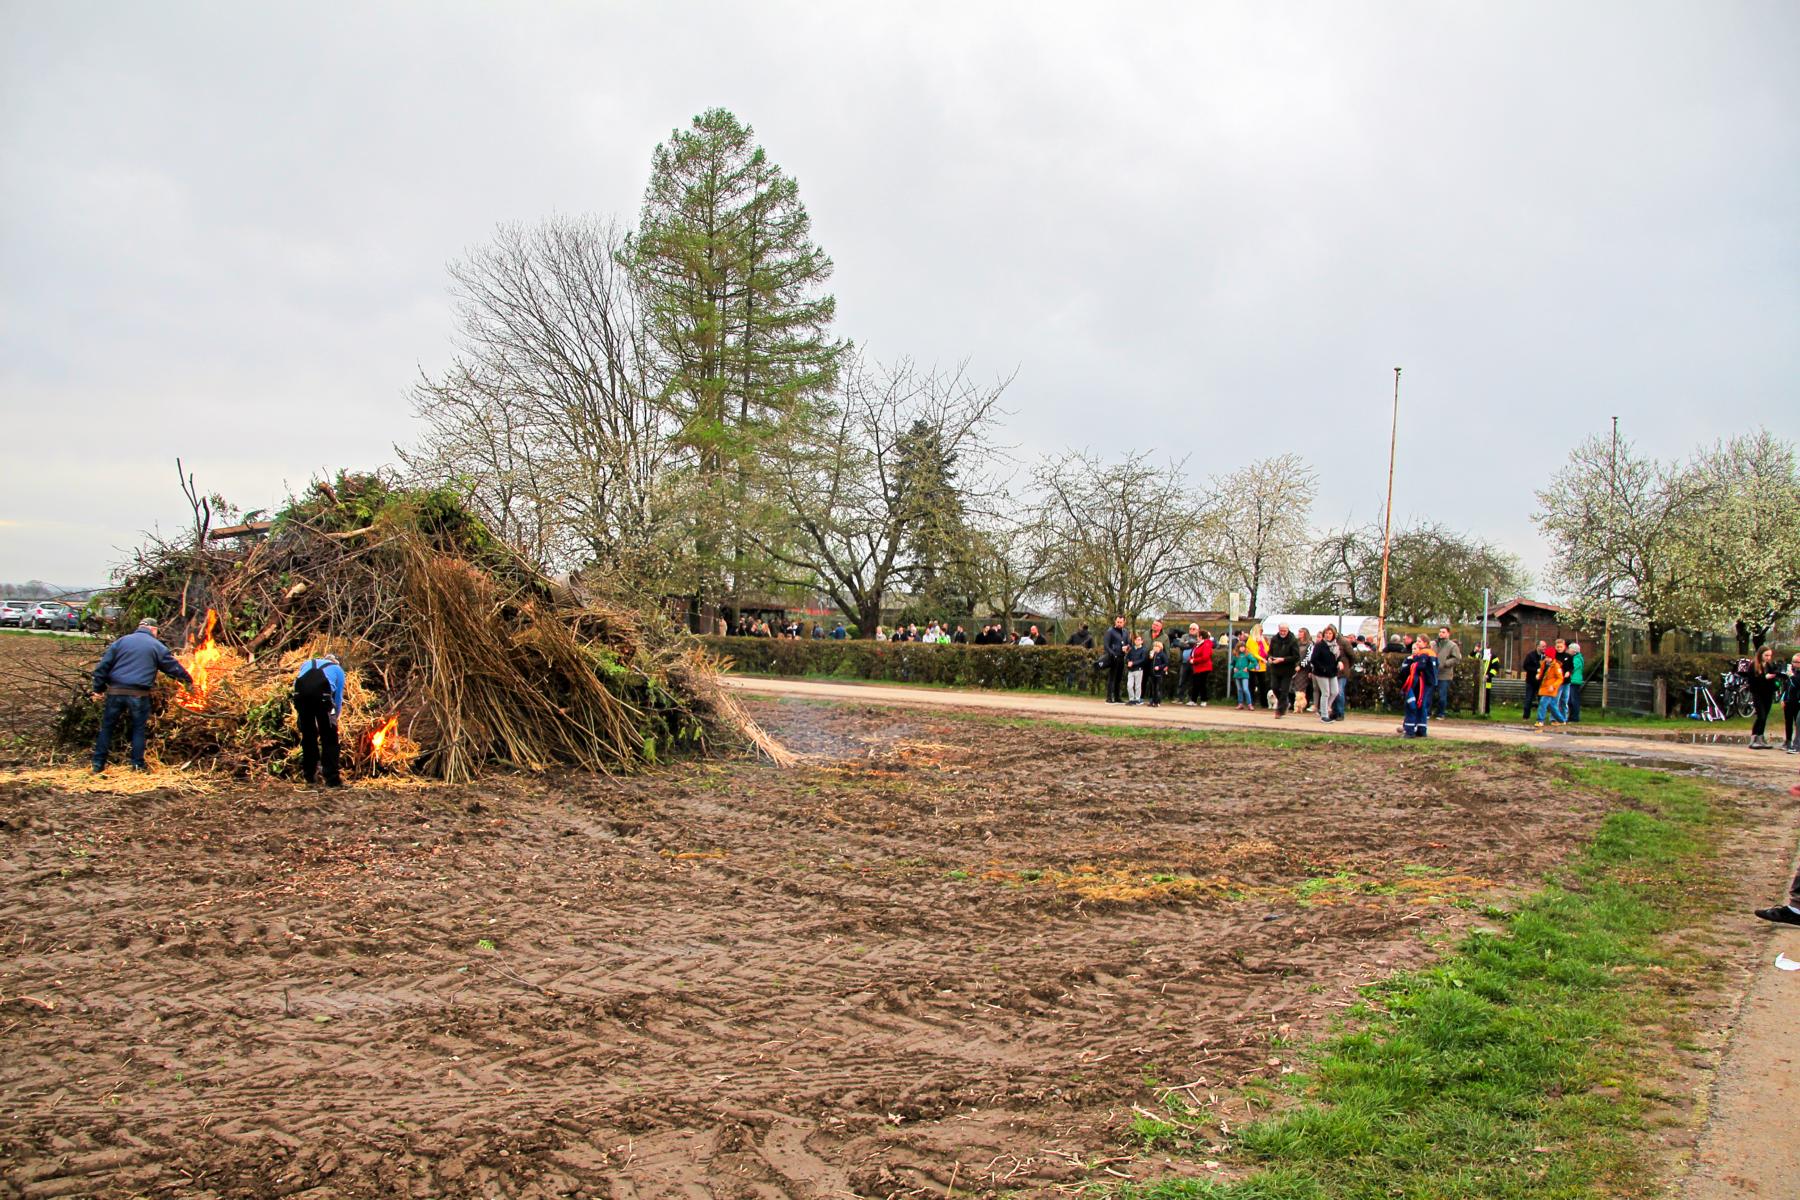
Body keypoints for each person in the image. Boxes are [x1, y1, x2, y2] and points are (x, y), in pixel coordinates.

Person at [90, 616, 194, 774]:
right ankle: (137, 765)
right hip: (138, 694)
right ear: (153, 629)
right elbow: (172, 668)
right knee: (138, 729)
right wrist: (188, 681)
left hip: (115, 692)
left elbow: (103, 666)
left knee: (107, 727)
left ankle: (98, 764)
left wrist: (98, 688)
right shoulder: (156, 646)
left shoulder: (121, 642)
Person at [293, 651, 348, 787]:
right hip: (323, 699)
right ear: (337, 662)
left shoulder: (307, 663)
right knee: (329, 737)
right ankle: (332, 779)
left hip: (301, 698)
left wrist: (299, 711)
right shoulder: (338, 670)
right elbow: (338, 697)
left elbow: (296, 682)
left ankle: (309, 776)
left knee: (308, 736)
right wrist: (335, 717)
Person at [1398, 635, 1437, 738]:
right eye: (1413, 648)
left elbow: (1419, 668)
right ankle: (1420, 729)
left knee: (1413, 706)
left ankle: (1410, 731)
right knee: (1420, 706)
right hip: (1420, 685)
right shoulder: (1430, 654)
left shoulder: (1424, 655)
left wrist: (1413, 661)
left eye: (1419, 642)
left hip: (1419, 685)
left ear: (1425, 643)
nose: (1415, 649)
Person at [1308, 625, 1343, 722]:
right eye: (1326, 633)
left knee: (1335, 691)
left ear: (1333, 635)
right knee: (1326, 693)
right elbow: (1313, 659)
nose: (1328, 635)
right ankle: (1324, 715)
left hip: (1332, 672)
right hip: (1321, 673)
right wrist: (1322, 668)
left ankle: (1325, 707)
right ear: (1324, 634)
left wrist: (1339, 662)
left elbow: (1338, 657)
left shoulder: (1335, 646)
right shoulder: (1319, 645)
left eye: (1330, 633)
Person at [1746, 645, 1778, 750]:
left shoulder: (1769, 665)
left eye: (1770, 655)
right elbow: (1752, 682)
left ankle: (1760, 737)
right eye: (1766, 655)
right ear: (1760, 655)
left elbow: (1773, 679)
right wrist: (1764, 677)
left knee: (1765, 717)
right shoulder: (1753, 666)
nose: (1768, 658)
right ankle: (1754, 739)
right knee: (1761, 716)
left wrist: (1774, 681)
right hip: (1758, 694)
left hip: (1768, 694)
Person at [1266, 622, 1300, 718]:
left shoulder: (1293, 640)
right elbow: (1270, 652)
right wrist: (1269, 657)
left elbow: (1296, 657)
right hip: (1275, 668)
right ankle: (1285, 703)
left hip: (1287, 670)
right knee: (1274, 687)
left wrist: (1283, 659)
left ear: (1288, 630)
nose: (1283, 632)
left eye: (1285, 631)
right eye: (1281, 630)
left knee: (1284, 690)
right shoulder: (1274, 639)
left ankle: (1280, 711)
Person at [1431, 627, 1463, 719]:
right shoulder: (1433, 644)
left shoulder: (1452, 646)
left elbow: (1456, 658)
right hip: (1432, 673)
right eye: (1440, 632)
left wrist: (1445, 663)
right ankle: (1428, 712)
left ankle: (1441, 713)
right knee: (1429, 694)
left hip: (1445, 674)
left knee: (1442, 695)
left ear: (1448, 634)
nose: (1441, 633)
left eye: (1443, 632)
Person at [1535, 646, 1567, 731]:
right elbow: (1542, 672)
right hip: (1545, 687)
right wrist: (1538, 676)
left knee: (1543, 703)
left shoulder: (1556, 666)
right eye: (1546, 657)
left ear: (1552, 657)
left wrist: (1553, 686)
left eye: (1549, 657)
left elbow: (1560, 678)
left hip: (1551, 688)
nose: (1547, 658)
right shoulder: (1544, 663)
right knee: (1552, 705)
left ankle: (1540, 720)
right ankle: (1561, 720)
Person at [1103, 616, 1130, 704]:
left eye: (1121, 622)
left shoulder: (1125, 632)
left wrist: (1127, 647)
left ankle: (1117, 697)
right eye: (1117, 622)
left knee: (1119, 678)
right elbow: (1106, 645)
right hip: (1113, 657)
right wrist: (1113, 654)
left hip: (1122, 657)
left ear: (1124, 622)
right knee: (1112, 678)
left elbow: (1129, 643)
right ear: (1115, 621)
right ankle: (1109, 697)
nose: (1119, 624)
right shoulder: (1110, 631)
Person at [1187, 627, 1214, 706]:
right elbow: (1192, 653)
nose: (1196, 637)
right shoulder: (1197, 644)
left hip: (1204, 667)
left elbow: (1205, 657)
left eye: (1197, 636)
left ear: (1201, 637)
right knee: (1195, 684)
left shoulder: (1206, 644)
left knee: (1202, 684)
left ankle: (1204, 700)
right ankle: (1193, 700)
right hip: (1197, 668)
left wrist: (1194, 660)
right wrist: (1190, 659)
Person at [1245, 627, 1270, 709]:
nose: (1261, 633)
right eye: (1260, 631)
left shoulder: (1262, 640)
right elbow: (1253, 653)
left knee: (1263, 684)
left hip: (1262, 666)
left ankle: (1264, 702)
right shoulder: (1250, 640)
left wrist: (1265, 644)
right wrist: (1262, 659)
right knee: (1251, 684)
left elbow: (1267, 650)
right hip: (1253, 665)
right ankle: (1251, 701)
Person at [1521, 640, 1547, 721]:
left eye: (1545, 646)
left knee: (1541, 700)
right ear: (1538, 646)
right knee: (1528, 699)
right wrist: (1536, 670)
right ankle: (1526, 716)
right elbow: (1525, 666)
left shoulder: (1546, 656)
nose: (1544, 648)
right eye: (1543, 646)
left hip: (1541, 682)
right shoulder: (1530, 655)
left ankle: (1540, 717)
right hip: (1531, 681)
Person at [1292, 627, 1313, 713]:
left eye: (1301, 632)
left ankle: (1301, 706)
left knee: (1301, 688)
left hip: (1304, 669)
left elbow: (1308, 657)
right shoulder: (1295, 643)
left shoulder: (1309, 644)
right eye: (1299, 632)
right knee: (1294, 687)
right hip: (1294, 666)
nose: (1299, 634)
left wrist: (1300, 665)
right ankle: (1295, 705)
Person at [1230, 637, 1255, 710]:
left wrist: (1248, 668)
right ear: (1238, 648)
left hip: (1245, 675)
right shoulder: (1236, 655)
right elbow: (1231, 664)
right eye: (1240, 647)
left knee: (1245, 689)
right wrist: (1233, 668)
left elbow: (1254, 662)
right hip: (1237, 675)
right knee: (1239, 690)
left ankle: (1250, 704)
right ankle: (1240, 704)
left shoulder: (1247, 655)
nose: (1242, 648)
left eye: (1243, 647)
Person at [1783, 651, 1800, 753]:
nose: (1795, 664)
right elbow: (1786, 687)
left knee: (1798, 722)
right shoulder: (1791, 672)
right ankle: (1789, 741)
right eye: (1793, 662)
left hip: (1797, 701)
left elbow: (1797, 684)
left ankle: (1796, 744)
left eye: (1797, 662)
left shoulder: (1795, 675)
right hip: (1789, 700)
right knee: (1789, 721)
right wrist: (1783, 698)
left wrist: (1791, 677)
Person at [1125, 633, 1148, 705]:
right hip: (1131, 670)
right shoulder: (1131, 649)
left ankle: (1137, 699)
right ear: (1134, 641)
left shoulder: (1143, 650)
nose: (1137, 641)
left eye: (1139, 640)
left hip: (1139, 669)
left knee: (1138, 686)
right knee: (1129, 685)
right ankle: (1131, 699)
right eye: (1136, 640)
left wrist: (1133, 663)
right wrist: (1128, 662)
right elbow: (1127, 657)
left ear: (1142, 641)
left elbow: (1142, 659)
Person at [1565, 641, 1585, 723]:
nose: (1568, 650)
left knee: (1574, 700)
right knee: (1571, 700)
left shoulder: (1576, 659)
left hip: (1574, 681)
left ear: (1574, 651)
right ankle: (1571, 716)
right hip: (1573, 681)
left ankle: (1575, 717)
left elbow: (1572, 668)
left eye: (1569, 649)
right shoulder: (1576, 658)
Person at [1147, 640, 1169, 706]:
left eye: (1156, 646)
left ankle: (1157, 701)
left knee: (1158, 688)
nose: (1155, 648)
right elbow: (1149, 662)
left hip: (1159, 674)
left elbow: (1166, 663)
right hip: (1152, 673)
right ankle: (1153, 701)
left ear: (1160, 648)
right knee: (1153, 688)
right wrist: (1150, 657)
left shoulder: (1162, 654)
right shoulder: (1153, 654)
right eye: (1154, 646)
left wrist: (1159, 667)